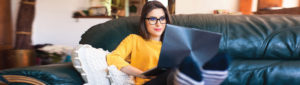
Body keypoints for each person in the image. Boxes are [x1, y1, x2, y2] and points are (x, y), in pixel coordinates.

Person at [106, 1, 229, 85]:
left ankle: (199, 79)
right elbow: (113, 58)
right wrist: (142, 74)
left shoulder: (176, 43)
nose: (159, 24)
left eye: (162, 18)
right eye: (153, 19)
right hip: (149, 83)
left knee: (185, 67)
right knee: (173, 72)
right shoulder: (134, 40)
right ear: (144, 21)